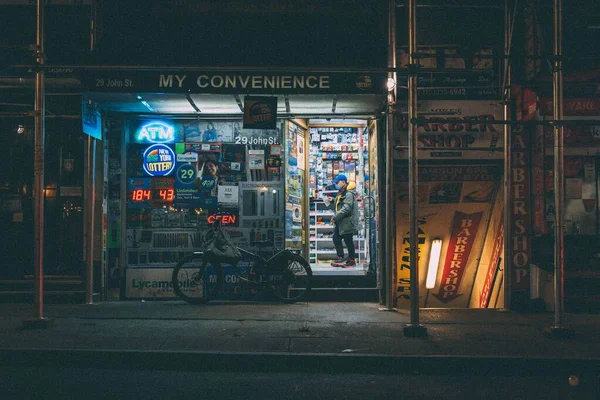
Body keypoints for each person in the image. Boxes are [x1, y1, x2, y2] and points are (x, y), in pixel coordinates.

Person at [330, 174, 359, 267]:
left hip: (346, 222)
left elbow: (347, 207)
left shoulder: (348, 193)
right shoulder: (342, 192)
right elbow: (342, 202)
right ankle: (348, 259)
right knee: (344, 239)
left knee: (344, 240)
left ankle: (344, 258)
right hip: (342, 221)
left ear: (343, 182)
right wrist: (333, 200)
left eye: (337, 182)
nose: (336, 184)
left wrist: (336, 217)